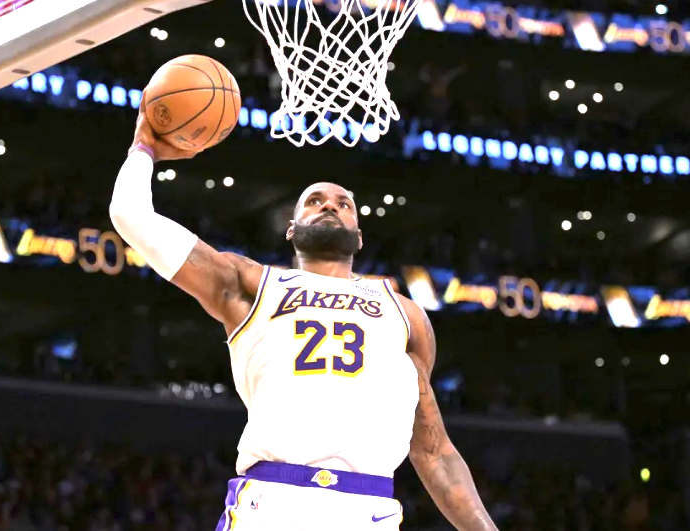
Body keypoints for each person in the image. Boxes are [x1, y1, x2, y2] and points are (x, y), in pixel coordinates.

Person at [109, 104, 498, 531]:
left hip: (367, 512)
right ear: (291, 228)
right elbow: (131, 217)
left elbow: (435, 452)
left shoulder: (405, 313)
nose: (330, 205)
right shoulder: (252, 284)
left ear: (359, 236)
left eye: (344, 204)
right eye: (314, 201)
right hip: (273, 503)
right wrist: (143, 147)